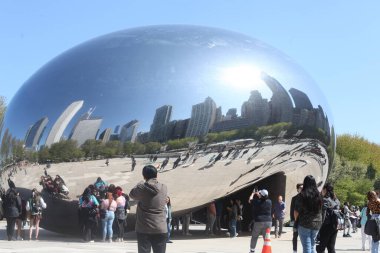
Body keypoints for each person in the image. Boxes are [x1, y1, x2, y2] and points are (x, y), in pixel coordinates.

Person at [129, 165, 168, 253]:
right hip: (160, 227)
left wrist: (140, 182)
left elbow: (131, 194)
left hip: (144, 227)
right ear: (156, 175)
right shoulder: (164, 187)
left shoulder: (142, 187)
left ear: (144, 175)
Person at [294, 175, 323, 253]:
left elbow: (296, 211)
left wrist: (296, 221)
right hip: (317, 223)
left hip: (304, 223)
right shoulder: (319, 195)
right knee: (312, 246)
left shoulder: (302, 195)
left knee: (307, 247)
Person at [316, 183, 341, 253]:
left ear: (325, 190)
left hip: (326, 226)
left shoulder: (324, 199)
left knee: (321, 248)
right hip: (335, 225)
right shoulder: (336, 200)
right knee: (331, 247)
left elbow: (322, 213)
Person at [248, 189, 272, 253]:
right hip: (268, 221)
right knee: (266, 238)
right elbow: (263, 198)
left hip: (259, 221)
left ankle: (252, 250)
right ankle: (267, 250)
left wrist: (253, 193)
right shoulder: (269, 201)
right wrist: (260, 195)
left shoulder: (257, 201)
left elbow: (249, 200)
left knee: (255, 236)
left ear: (261, 195)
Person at [291, 183, 303, 253]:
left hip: (304, 221)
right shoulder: (294, 198)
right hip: (296, 221)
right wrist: (292, 220)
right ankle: (294, 250)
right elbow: (292, 209)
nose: (302, 189)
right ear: (297, 189)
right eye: (300, 188)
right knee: (295, 236)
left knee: (304, 237)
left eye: (303, 188)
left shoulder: (306, 197)